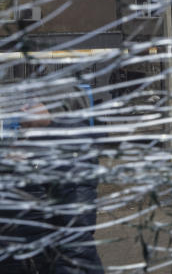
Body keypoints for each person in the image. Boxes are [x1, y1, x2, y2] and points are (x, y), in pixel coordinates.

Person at [1, 83, 104, 274]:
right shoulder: (29, 147)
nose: (22, 109)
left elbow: (76, 233)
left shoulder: (70, 150)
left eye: (31, 105)